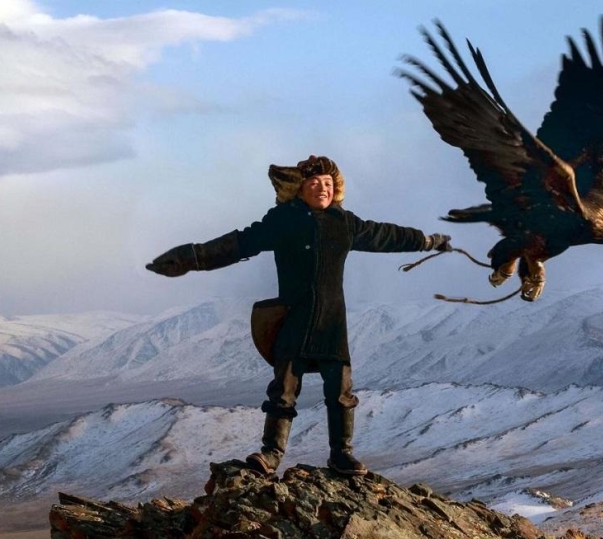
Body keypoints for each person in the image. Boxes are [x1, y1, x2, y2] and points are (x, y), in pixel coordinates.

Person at [146, 155, 451, 476]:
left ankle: (341, 455)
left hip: (332, 322)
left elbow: (387, 236)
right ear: (300, 189)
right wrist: (189, 258)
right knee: (283, 391)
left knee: (341, 392)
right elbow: (239, 243)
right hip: (293, 319)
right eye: (315, 184)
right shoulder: (283, 220)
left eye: (328, 184)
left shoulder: (344, 223)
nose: (323, 189)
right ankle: (271, 455)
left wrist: (428, 241)